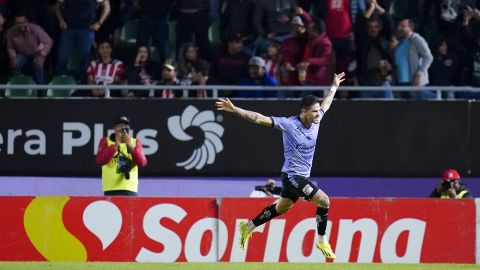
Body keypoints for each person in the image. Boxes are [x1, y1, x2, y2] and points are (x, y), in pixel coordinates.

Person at [215, 72, 346, 259]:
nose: (318, 114)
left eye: (318, 111)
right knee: (324, 201)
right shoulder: (289, 124)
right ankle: (322, 240)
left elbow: (326, 104)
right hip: (293, 177)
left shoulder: (316, 121)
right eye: (314, 111)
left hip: (300, 177)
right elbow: (258, 118)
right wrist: (235, 110)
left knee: (282, 208)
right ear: (303, 111)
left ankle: (248, 227)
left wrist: (333, 87)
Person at [53, 0, 111, 81]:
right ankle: (60, 82)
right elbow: (57, 7)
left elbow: (107, 6)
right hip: (69, 29)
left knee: (85, 58)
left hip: (87, 29)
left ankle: (84, 83)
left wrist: (99, 23)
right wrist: (61, 20)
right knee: (62, 57)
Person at [96, 116, 148, 196]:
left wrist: (130, 146)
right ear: (114, 128)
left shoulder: (135, 142)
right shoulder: (105, 141)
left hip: (129, 188)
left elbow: (142, 163)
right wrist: (115, 147)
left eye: (126, 126)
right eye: (120, 126)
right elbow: (100, 160)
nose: (123, 128)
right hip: (111, 188)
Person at [6, 13, 53, 85]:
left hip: (36, 53)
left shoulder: (36, 29)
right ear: (15, 24)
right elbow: (10, 47)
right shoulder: (10, 32)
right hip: (22, 54)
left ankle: (41, 89)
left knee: (38, 64)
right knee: (15, 64)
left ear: (27, 22)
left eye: (23, 22)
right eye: (18, 23)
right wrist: (13, 57)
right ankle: (17, 87)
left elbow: (48, 42)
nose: (21, 25)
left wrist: (42, 56)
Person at [392, 18, 433, 99]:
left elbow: (428, 57)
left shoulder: (416, 39)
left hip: (414, 81)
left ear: (410, 28)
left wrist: (419, 74)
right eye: (398, 26)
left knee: (428, 103)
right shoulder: (399, 43)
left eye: (402, 26)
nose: (399, 28)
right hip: (401, 83)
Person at [134, 0, 173, 64]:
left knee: (165, 49)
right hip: (145, 17)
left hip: (161, 17)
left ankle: (167, 69)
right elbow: (135, 3)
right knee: (141, 47)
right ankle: (138, 68)